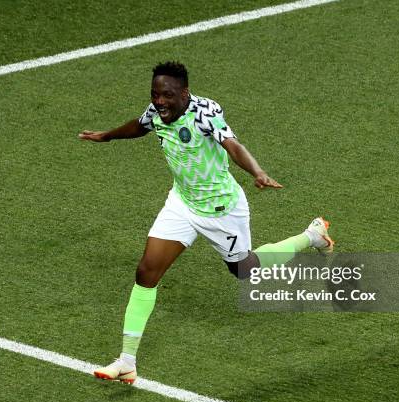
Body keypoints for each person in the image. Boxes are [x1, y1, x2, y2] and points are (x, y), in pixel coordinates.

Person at [79, 61, 333, 384]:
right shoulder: (158, 112)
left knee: (245, 270)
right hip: (182, 204)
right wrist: (108, 137)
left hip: (222, 211)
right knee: (146, 271)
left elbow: (233, 145)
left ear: (184, 93)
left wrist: (257, 172)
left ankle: (311, 235)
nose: (159, 101)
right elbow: (140, 125)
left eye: (167, 95)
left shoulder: (204, 114)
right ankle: (127, 360)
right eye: (155, 94)